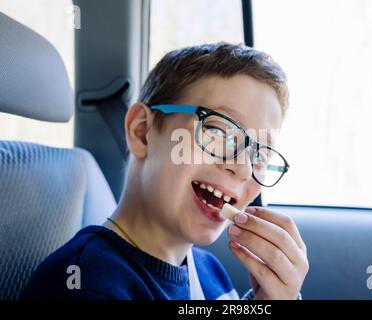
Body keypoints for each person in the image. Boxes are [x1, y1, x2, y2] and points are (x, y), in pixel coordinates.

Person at [22, 43, 308, 300]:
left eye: (260, 155)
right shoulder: (87, 285)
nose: (244, 168)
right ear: (143, 132)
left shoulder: (210, 273)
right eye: (219, 132)